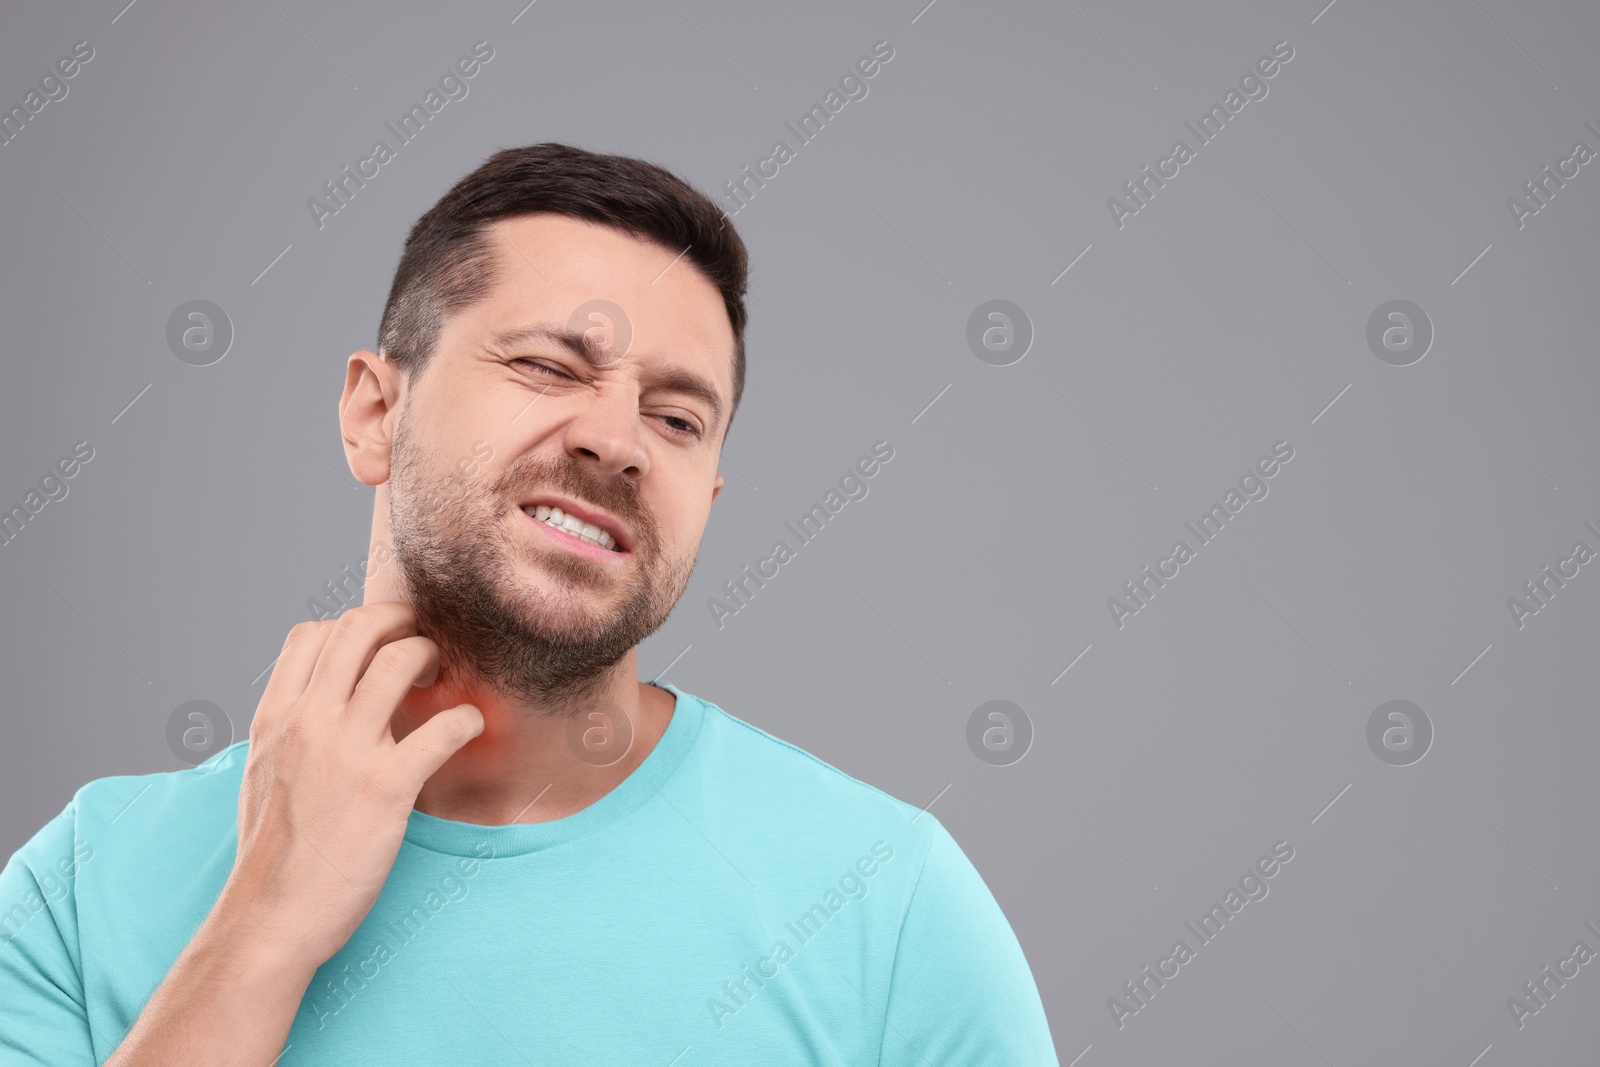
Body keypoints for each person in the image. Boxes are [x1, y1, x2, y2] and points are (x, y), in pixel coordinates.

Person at [0, 143, 1059, 1064]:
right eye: (549, 365)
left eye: (680, 417)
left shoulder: (886, 901)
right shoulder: (82, 885)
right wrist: (263, 925)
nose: (617, 439)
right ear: (376, 411)